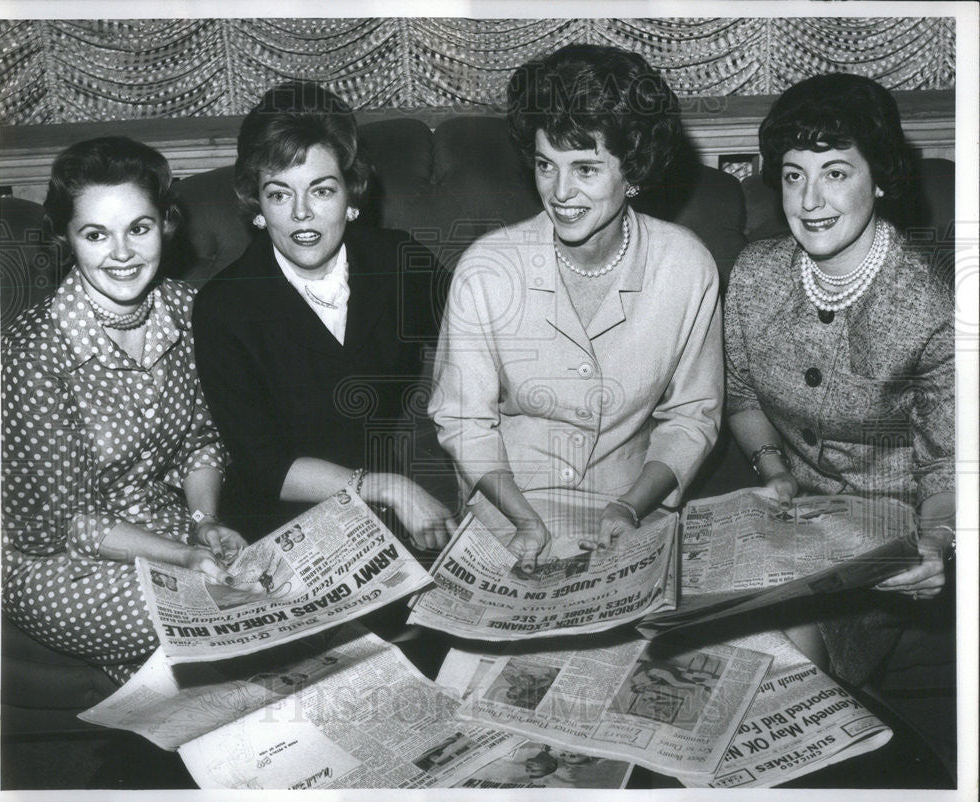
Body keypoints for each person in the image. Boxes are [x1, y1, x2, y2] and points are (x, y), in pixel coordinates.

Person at [429, 44, 723, 572]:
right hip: (510, 513)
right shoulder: (486, 270)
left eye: (586, 168)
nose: (560, 192)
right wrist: (523, 520)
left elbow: (692, 416)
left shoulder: (686, 266)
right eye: (547, 165)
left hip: (629, 511)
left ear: (632, 170)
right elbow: (464, 422)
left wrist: (631, 505)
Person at [724, 73, 955, 685]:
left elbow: (947, 466)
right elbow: (742, 396)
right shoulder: (755, 275)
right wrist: (774, 471)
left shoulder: (935, 306)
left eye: (835, 172)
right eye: (794, 174)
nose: (809, 201)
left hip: (887, 531)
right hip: (788, 519)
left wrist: (935, 542)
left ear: (878, 177)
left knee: (780, 654)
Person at [1, 137, 246, 683]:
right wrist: (181, 558)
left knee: (258, 593)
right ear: (67, 238)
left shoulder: (187, 310)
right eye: (95, 234)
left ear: (165, 224)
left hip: (164, 522)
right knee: (218, 611)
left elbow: (202, 438)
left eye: (139, 227)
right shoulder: (34, 350)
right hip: (56, 554)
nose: (122, 253)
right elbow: (64, 522)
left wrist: (205, 524)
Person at [192, 81, 457, 550]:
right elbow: (265, 467)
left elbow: (480, 343)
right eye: (278, 194)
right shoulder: (224, 306)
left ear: (351, 197)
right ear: (257, 206)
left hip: (385, 517)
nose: (301, 214)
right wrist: (387, 486)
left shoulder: (397, 261)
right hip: (276, 523)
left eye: (321, 190)